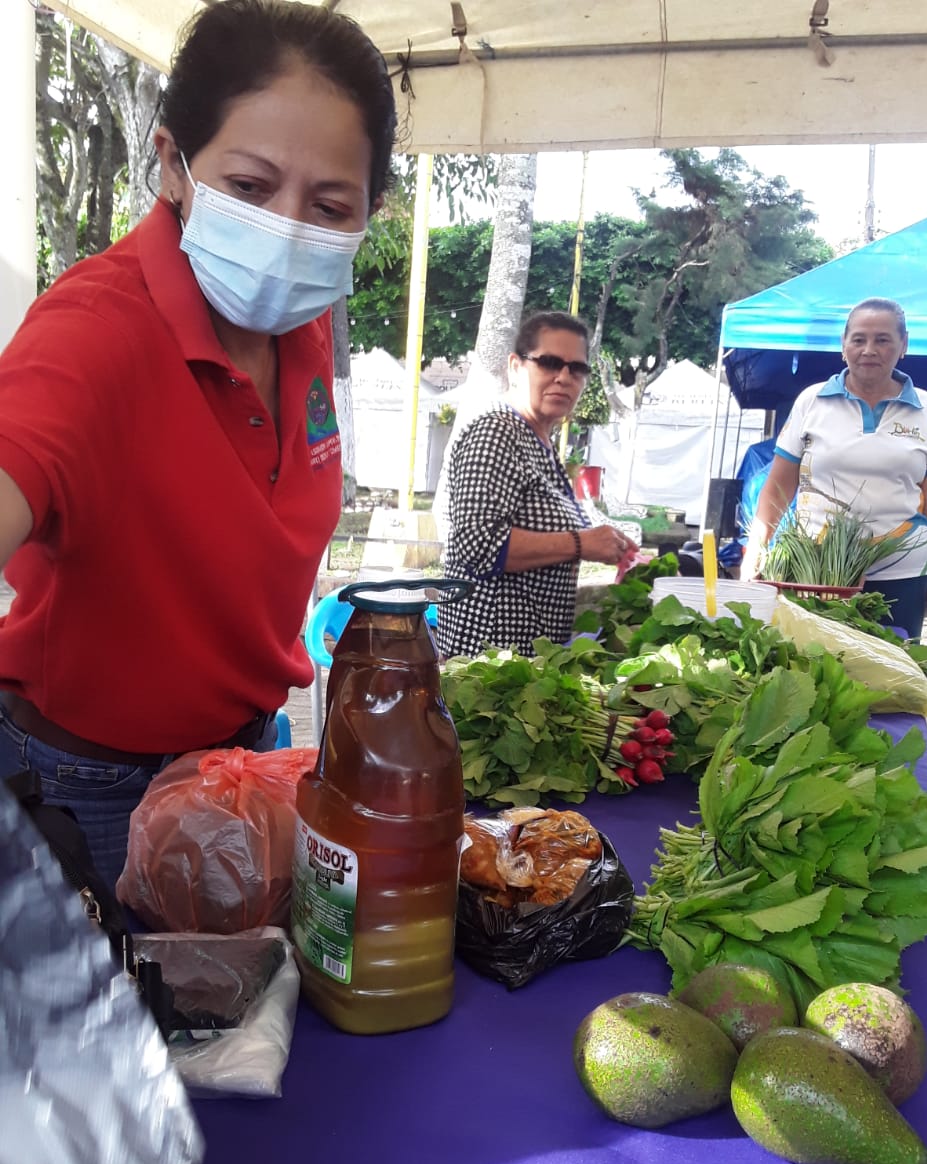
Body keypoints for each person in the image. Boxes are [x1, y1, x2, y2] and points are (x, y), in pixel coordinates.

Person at [0, 0, 397, 887]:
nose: (290, 227)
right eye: (252, 188)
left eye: (331, 204)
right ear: (173, 162)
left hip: (254, 757)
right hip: (95, 792)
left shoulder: (303, 334)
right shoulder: (92, 330)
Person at [740, 297, 927, 638]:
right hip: (818, 568)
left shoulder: (926, 408)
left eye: (883, 339)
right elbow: (777, 490)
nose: (869, 349)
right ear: (844, 347)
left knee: (894, 674)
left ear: (904, 345)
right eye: (858, 339)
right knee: (817, 671)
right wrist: (754, 554)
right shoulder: (812, 401)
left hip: (900, 569)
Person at [435, 311, 639, 658]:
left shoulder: (539, 441)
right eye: (549, 363)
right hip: (486, 663)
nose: (563, 377)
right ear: (515, 366)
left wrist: (611, 546)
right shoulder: (495, 433)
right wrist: (581, 543)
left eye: (577, 369)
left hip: (527, 663)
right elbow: (478, 546)